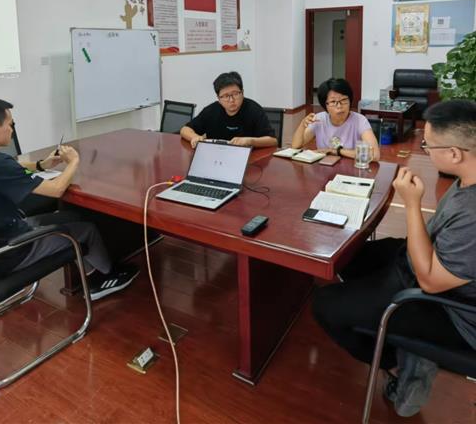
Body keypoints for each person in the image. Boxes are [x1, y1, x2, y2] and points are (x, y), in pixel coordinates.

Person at [312, 99, 476, 417]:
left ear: (455, 154)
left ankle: (397, 363)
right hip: (428, 262)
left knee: (324, 304)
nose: (425, 150)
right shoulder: (467, 177)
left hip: (451, 308)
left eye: (429, 145)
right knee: (350, 256)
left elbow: (430, 282)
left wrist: (412, 203)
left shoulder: (472, 214)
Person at [0, 96, 139, 301]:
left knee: (72, 216)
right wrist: (73, 161)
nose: (12, 129)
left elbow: (10, 166)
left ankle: (91, 273)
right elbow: (57, 189)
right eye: (10, 124)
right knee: (87, 230)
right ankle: (105, 278)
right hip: (10, 250)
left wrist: (41, 165)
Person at [179, 71, 277, 149]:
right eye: (225, 96)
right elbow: (185, 129)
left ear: (242, 92)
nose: (231, 100)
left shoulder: (254, 110)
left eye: (235, 94)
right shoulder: (212, 110)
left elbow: (273, 141)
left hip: (248, 159)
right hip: (217, 157)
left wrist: (250, 141)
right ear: (219, 98)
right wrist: (194, 137)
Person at [292, 77, 380, 160]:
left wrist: (337, 151)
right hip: (323, 168)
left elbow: (375, 154)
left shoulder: (360, 120)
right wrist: (302, 125)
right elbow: (295, 146)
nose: (339, 106)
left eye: (344, 100)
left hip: (351, 168)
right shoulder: (319, 119)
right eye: (333, 101)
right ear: (325, 105)